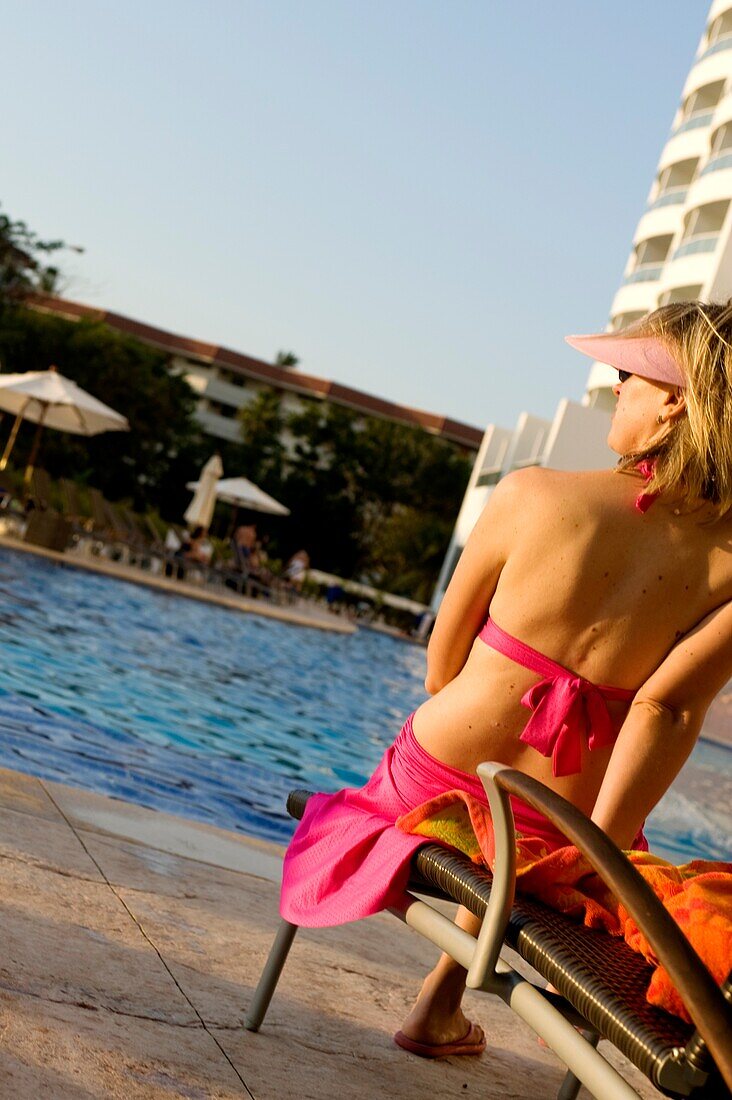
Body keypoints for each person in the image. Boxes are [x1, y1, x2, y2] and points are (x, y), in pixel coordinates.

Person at [280, 300, 732, 1058]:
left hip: (440, 774)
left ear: (674, 402)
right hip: (567, 820)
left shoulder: (529, 494)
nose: (613, 386)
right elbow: (668, 709)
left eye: (628, 375)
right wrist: (604, 848)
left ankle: (443, 996)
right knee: (529, 828)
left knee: (493, 812)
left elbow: (438, 667)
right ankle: (438, 1003)